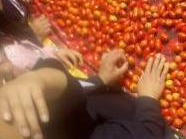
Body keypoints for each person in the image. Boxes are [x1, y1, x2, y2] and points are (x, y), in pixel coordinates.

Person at [0, 50, 170, 139]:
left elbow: (70, 99)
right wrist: (148, 98)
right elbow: (147, 135)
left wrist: (100, 80)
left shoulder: (55, 118)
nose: (5, 67)